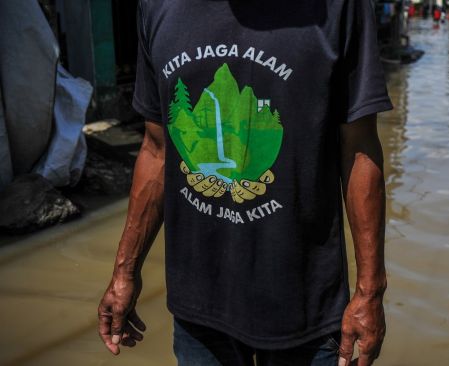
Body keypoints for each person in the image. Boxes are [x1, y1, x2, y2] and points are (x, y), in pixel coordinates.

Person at [98, 0, 393, 365]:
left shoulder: (339, 7)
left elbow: (359, 149)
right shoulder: (158, 6)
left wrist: (370, 291)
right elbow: (157, 150)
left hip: (305, 309)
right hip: (199, 313)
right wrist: (124, 272)